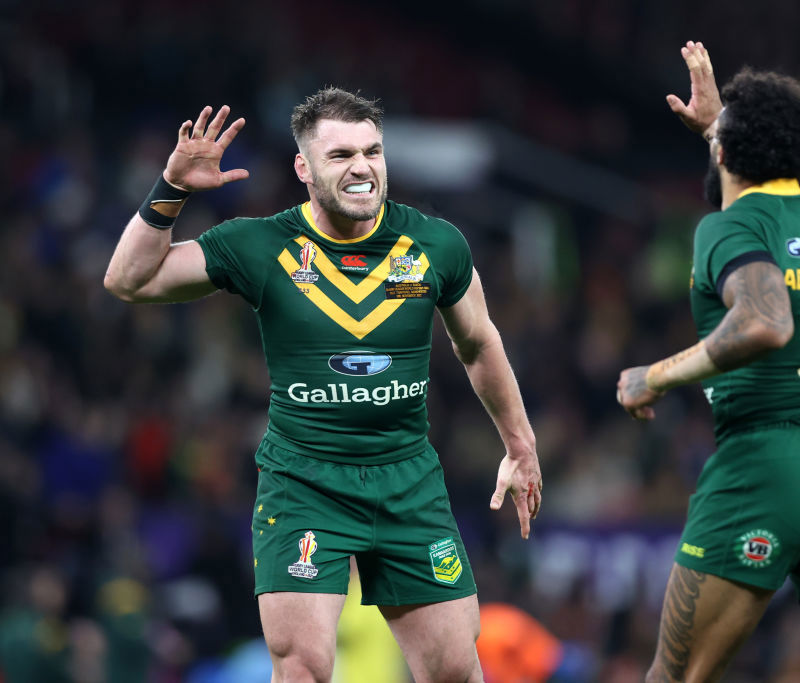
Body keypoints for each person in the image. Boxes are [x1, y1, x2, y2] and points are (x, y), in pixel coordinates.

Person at [104, 88, 542, 683]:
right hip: (304, 482)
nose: (362, 167)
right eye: (340, 156)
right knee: (303, 668)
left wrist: (520, 445)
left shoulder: (436, 245)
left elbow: (480, 344)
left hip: (407, 479)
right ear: (303, 169)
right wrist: (172, 186)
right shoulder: (258, 245)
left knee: (455, 672)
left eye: (372, 151)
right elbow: (129, 280)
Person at [616, 42, 800, 682]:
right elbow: (759, 200)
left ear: (727, 153)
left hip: (766, 464)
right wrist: (718, 131)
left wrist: (656, 375)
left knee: (671, 678)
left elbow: (764, 320)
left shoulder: (724, 228)